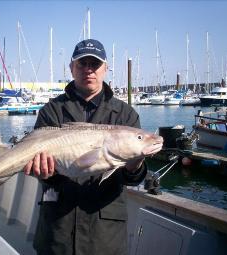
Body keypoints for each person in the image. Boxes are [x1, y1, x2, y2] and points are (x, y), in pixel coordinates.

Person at [24, 39, 147, 255]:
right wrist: (44, 173)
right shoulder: (51, 111)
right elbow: (46, 175)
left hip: (104, 236)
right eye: (82, 64)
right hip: (58, 230)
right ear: (72, 68)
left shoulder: (126, 115)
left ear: (105, 69)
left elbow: (133, 178)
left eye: (95, 64)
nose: (89, 70)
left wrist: (135, 167)